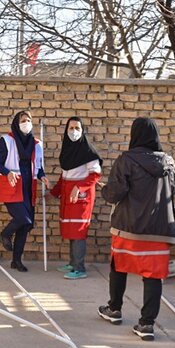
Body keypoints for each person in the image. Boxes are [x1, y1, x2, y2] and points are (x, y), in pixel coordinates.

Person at [98, 117, 175, 341]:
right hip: (160, 230)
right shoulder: (170, 163)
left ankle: (114, 309)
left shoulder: (126, 160)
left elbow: (115, 193)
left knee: (119, 266)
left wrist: (104, 190)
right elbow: (174, 189)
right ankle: (146, 324)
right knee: (153, 276)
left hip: (128, 226)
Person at [0, 110, 48, 272]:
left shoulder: (37, 144)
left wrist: (42, 175)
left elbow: (38, 166)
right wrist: (7, 172)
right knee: (24, 219)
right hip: (12, 185)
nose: (26, 123)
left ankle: (16, 260)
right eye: (23, 120)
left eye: (29, 120)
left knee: (25, 226)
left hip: (28, 187)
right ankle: (5, 233)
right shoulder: (6, 140)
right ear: (17, 123)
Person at [49, 116, 102, 279]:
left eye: (77, 128)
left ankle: (80, 268)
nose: (74, 132)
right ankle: (73, 263)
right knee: (71, 229)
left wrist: (79, 188)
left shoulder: (88, 151)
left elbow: (95, 175)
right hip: (68, 196)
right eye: (71, 128)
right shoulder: (66, 152)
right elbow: (63, 176)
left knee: (78, 230)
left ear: (82, 130)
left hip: (81, 197)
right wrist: (52, 192)